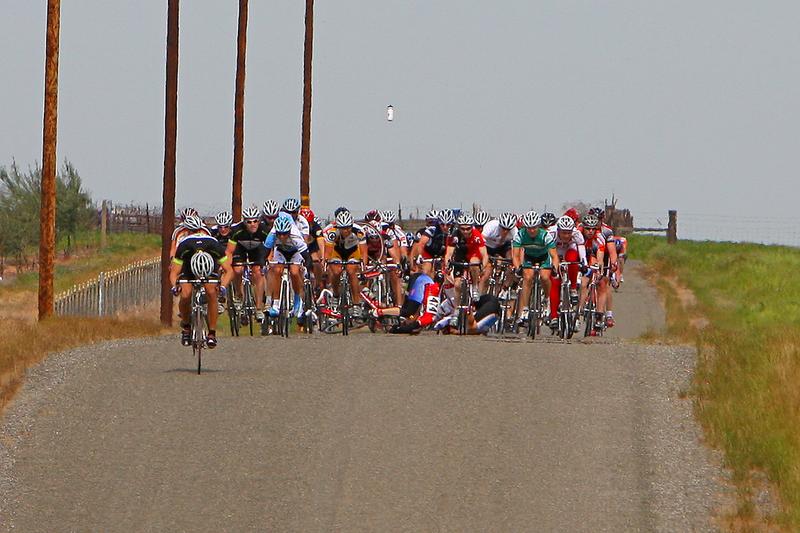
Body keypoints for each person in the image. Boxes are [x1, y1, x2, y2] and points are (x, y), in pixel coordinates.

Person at [169, 216, 233, 348]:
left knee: (211, 293)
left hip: (209, 268)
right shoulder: (184, 245)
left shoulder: (213, 244)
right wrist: (175, 286)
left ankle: (212, 333)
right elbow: (174, 272)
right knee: (185, 294)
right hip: (188, 267)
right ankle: (186, 327)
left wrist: (222, 287)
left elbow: (229, 270)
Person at [512, 210, 560, 325]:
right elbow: (516, 255)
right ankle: (525, 308)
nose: (532, 230)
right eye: (529, 228)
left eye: (534, 227)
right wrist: (518, 267)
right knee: (527, 277)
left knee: (544, 277)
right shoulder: (520, 235)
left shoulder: (545, 235)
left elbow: (554, 255)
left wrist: (555, 268)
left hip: (544, 257)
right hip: (529, 257)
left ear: (538, 226)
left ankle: (547, 300)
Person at [225, 205, 269, 321]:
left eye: (255, 221)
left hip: (257, 249)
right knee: (237, 269)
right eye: (249, 222)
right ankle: (239, 294)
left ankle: (259, 307)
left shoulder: (264, 230)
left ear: (259, 221)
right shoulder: (237, 230)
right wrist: (227, 265)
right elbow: (229, 251)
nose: (252, 224)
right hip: (240, 248)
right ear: (244, 222)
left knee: (257, 272)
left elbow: (271, 248)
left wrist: (267, 261)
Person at [264, 215, 309, 320]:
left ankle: (298, 300)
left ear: (289, 232)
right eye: (279, 234)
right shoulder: (272, 235)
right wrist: (263, 263)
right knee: (276, 271)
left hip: (295, 252)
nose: (282, 237)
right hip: (280, 251)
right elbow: (265, 252)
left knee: (294, 272)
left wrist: (307, 266)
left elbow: (306, 255)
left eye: (284, 234)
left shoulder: (296, 236)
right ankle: (275, 304)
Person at [323, 209, 368, 305]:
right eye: (343, 228)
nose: (346, 230)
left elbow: (364, 252)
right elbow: (327, 253)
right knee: (336, 271)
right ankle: (335, 294)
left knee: (352, 271)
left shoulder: (359, 232)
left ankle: (356, 303)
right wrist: (325, 266)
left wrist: (363, 267)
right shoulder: (332, 233)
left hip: (352, 252)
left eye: (348, 227)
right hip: (337, 252)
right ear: (338, 227)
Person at [444, 212, 488, 303]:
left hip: (474, 255)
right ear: (459, 228)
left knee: (474, 262)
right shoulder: (455, 235)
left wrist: (483, 267)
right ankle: (456, 310)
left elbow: (484, 254)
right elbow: (449, 253)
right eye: (462, 229)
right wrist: (447, 266)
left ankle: (475, 287)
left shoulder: (476, 235)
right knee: (457, 285)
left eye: (468, 229)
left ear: (472, 227)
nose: (465, 231)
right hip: (460, 255)